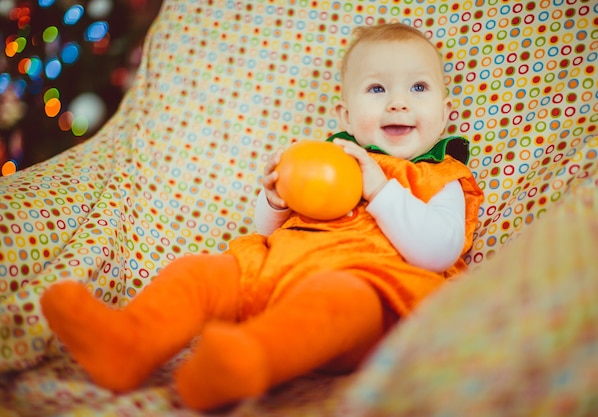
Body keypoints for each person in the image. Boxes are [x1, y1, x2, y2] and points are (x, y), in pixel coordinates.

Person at [40, 23, 484, 411]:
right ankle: (128, 342)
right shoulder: (329, 158)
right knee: (202, 271)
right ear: (346, 116)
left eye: (418, 88)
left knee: (334, 299)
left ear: (445, 115)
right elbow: (269, 235)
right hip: (276, 273)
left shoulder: (440, 175)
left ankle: (246, 361)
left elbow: (437, 251)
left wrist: (381, 190)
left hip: (367, 293)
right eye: (377, 89)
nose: (398, 104)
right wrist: (274, 199)